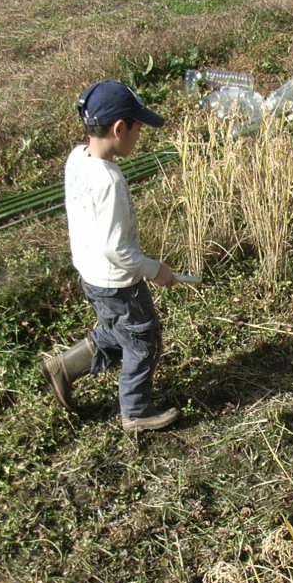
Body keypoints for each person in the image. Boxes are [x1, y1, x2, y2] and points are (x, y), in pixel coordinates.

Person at [42, 80, 181, 431]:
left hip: (91, 275)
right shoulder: (109, 180)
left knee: (117, 330)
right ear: (120, 128)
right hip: (118, 281)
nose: (140, 134)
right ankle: (135, 411)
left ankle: (62, 367)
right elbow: (116, 249)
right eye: (137, 127)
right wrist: (154, 269)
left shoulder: (77, 158)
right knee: (143, 339)